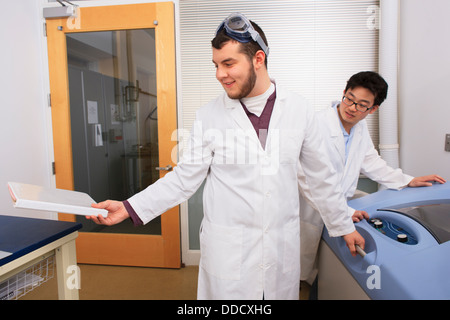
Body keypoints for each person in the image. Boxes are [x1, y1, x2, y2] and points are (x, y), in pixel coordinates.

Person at [87, 13, 364, 300]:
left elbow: (320, 179)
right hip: (229, 252)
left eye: (229, 63)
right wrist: (130, 207)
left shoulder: (300, 110)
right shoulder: (208, 116)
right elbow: (183, 179)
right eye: (216, 65)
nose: (220, 74)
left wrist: (343, 225)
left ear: (258, 59)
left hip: (280, 250)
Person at [299, 71, 446, 285]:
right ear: (344, 93)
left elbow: (371, 161)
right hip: (309, 210)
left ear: (373, 109)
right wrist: (344, 213)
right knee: (301, 269)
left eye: (362, 105)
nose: (352, 108)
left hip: (337, 206)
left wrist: (406, 180)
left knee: (324, 269)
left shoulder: (359, 127)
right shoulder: (316, 125)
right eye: (349, 99)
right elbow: (309, 181)